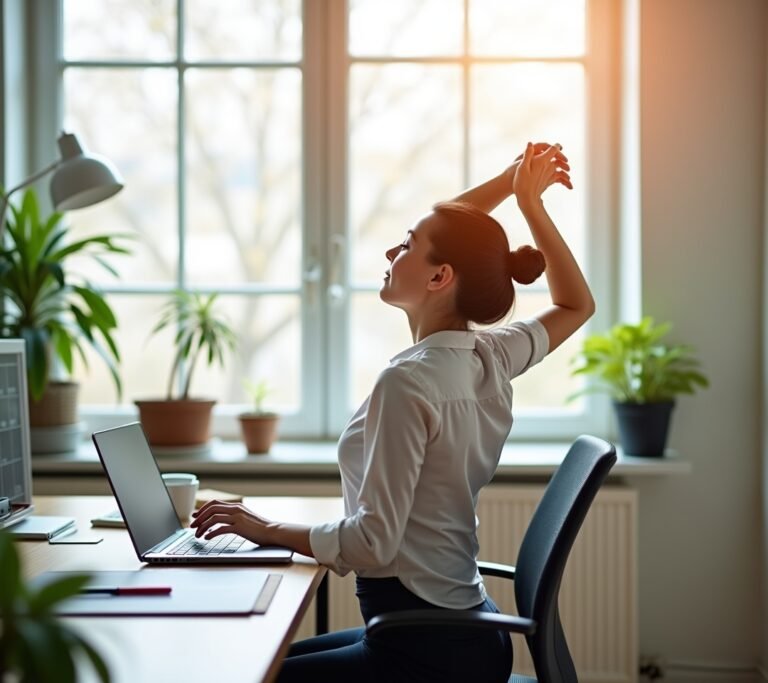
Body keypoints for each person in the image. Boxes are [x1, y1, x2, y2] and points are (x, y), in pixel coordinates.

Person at [191, 141, 594, 683]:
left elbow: (369, 543)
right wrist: (520, 193)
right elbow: (575, 303)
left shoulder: (408, 382)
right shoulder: (490, 356)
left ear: (439, 278)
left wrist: (265, 528)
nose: (389, 254)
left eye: (405, 247)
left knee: (242, 674)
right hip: (465, 632)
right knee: (257, 664)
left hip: (426, 652)